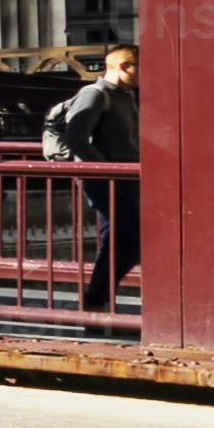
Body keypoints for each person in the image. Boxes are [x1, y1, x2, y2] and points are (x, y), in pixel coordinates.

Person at [43, 46, 141, 313]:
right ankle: (96, 301)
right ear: (123, 66)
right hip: (105, 180)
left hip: (126, 178)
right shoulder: (94, 94)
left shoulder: (126, 95)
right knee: (123, 239)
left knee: (128, 239)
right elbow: (76, 138)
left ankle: (98, 299)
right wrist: (107, 170)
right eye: (141, 67)